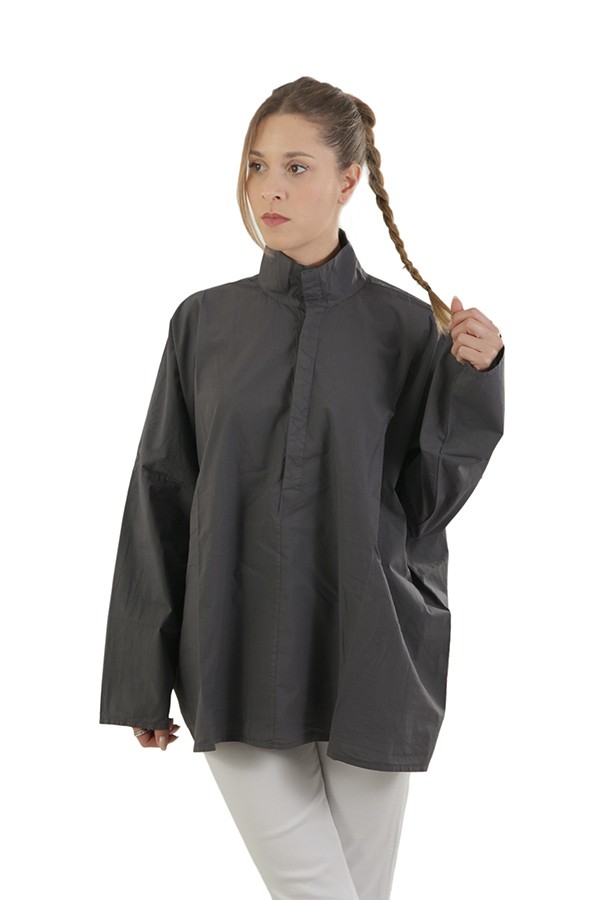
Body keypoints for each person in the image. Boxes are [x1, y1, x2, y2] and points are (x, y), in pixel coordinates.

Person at [99, 75, 505, 899]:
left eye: (295, 167)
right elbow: (161, 493)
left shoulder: (406, 328)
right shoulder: (203, 323)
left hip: (372, 652)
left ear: (348, 180)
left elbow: (427, 504)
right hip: (232, 653)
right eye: (257, 166)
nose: (270, 188)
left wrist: (475, 379)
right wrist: (142, 672)